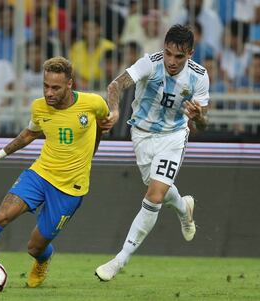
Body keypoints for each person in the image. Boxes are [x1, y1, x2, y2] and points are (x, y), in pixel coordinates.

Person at [0, 56, 109, 289]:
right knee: (1, 216)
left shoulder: (93, 103)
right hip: (40, 174)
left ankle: (43, 259)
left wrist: (93, 150)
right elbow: (29, 134)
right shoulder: (39, 107)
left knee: (35, 247)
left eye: (55, 87)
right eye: (45, 86)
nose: (49, 93)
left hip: (71, 188)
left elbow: (104, 122)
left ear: (70, 83)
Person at [95, 24, 210, 281]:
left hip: (173, 137)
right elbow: (116, 86)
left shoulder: (199, 76)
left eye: (179, 56)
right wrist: (114, 111)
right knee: (161, 191)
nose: (171, 61)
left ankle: (119, 260)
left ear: (190, 53)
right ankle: (184, 208)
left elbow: (203, 124)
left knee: (155, 195)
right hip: (142, 134)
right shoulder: (149, 63)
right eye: (168, 53)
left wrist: (199, 117)